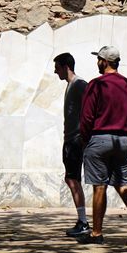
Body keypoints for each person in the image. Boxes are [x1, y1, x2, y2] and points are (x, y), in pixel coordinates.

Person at [77, 46, 127, 246]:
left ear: (103, 62)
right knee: (122, 183)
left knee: (99, 186)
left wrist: (85, 140)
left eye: (98, 59)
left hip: (99, 138)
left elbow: (87, 117)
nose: (97, 63)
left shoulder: (96, 85)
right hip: (122, 140)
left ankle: (96, 233)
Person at [53, 53, 89, 237]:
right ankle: (82, 220)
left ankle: (83, 222)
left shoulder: (80, 85)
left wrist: (83, 135)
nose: (55, 71)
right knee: (71, 179)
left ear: (66, 66)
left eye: (57, 67)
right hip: (70, 138)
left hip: (75, 139)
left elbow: (92, 107)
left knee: (73, 179)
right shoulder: (71, 85)